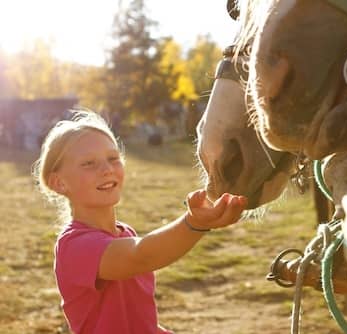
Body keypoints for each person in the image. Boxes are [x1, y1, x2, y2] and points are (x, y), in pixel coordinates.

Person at [32, 110, 247, 334]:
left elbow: (138, 319)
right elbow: (141, 256)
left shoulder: (125, 234)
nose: (106, 169)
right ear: (59, 183)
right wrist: (195, 223)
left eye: (113, 159)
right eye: (88, 163)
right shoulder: (74, 246)